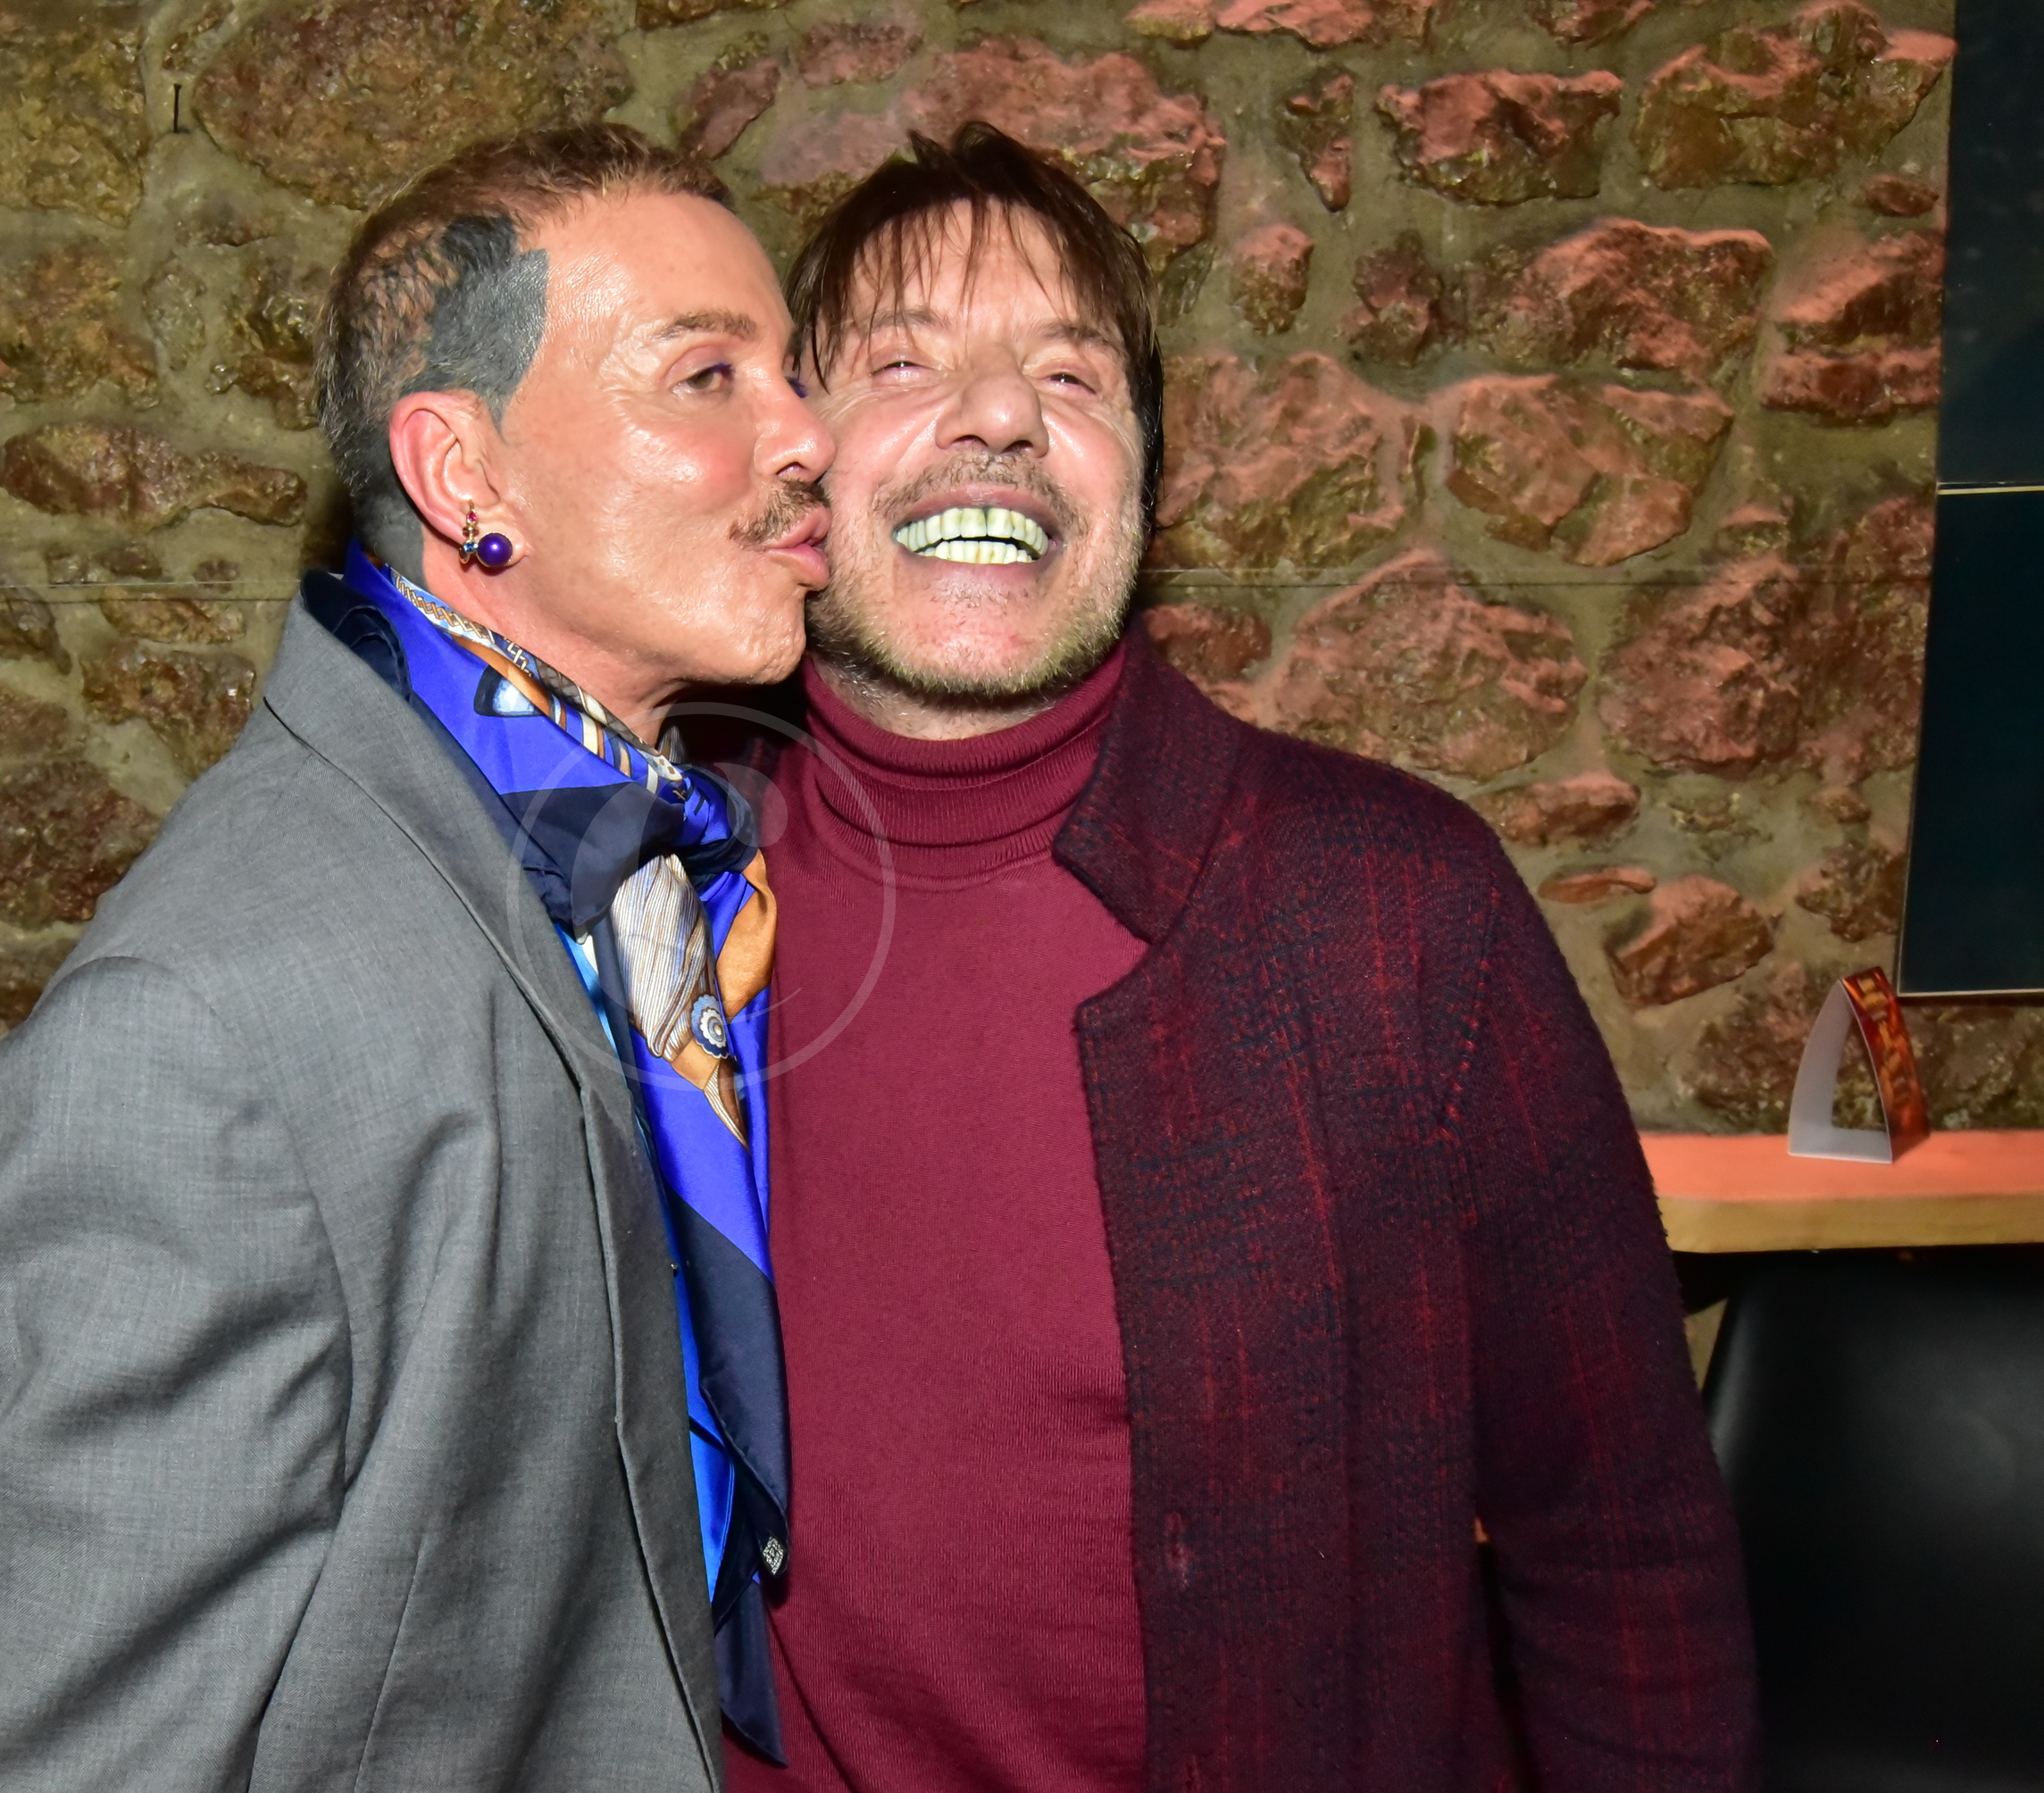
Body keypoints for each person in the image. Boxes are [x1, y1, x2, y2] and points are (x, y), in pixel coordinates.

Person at [728, 123, 1757, 1791]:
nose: (1000, 417)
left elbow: (1622, 1544)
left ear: (1145, 483)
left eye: (1071, 377)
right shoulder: (648, 883)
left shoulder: (1396, 915)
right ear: (792, 465)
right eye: (904, 363)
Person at [0, 123, 831, 1791]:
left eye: (789, 373)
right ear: (466, 477)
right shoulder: (196, 1041)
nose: (809, 434)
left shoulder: (621, 856)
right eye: (707, 377)